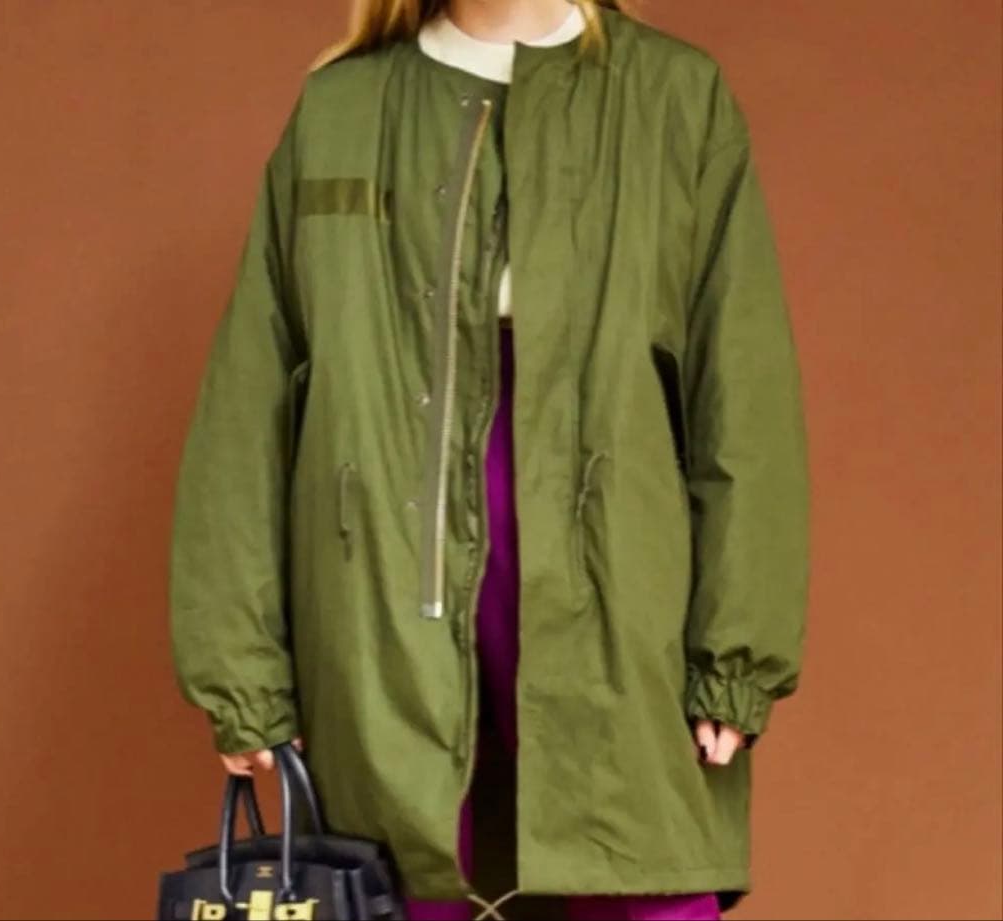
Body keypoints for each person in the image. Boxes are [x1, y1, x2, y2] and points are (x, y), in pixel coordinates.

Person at [167, 1, 811, 919]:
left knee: (633, 863)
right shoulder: (343, 106)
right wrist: (239, 668)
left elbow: (740, 393)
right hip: (380, 569)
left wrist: (736, 652)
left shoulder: (676, 95)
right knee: (412, 872)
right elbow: (252, 400)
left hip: (612, 559)